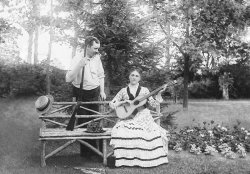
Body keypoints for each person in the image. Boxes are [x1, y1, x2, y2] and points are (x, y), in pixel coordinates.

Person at [109, 69, 169, 168]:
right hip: (129, 117)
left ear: (139, 78)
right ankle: (128, 160)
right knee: (122, 131)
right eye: (132, 75)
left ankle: (144, 159)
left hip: (143, 116)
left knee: (146, 134)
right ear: (129, 77)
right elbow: (112, 104)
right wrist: (123, 102)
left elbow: (153, 104)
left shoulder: (144, 90)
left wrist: (159, 93)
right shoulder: (123, 91)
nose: (134, 77)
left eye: (137, 76)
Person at [65, 36, 106, 157]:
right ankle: (86, 154)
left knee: (95, 121)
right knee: (83, 123)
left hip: (95, 93)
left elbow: (101, 75)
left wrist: (102, 91)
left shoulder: (97, 58)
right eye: (95, 48)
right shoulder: (77, 58)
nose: (97, 51)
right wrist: (79, 65)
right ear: (88, 47)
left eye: (98, 48)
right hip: (81, 94)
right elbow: (68, 79)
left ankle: (96, 152)